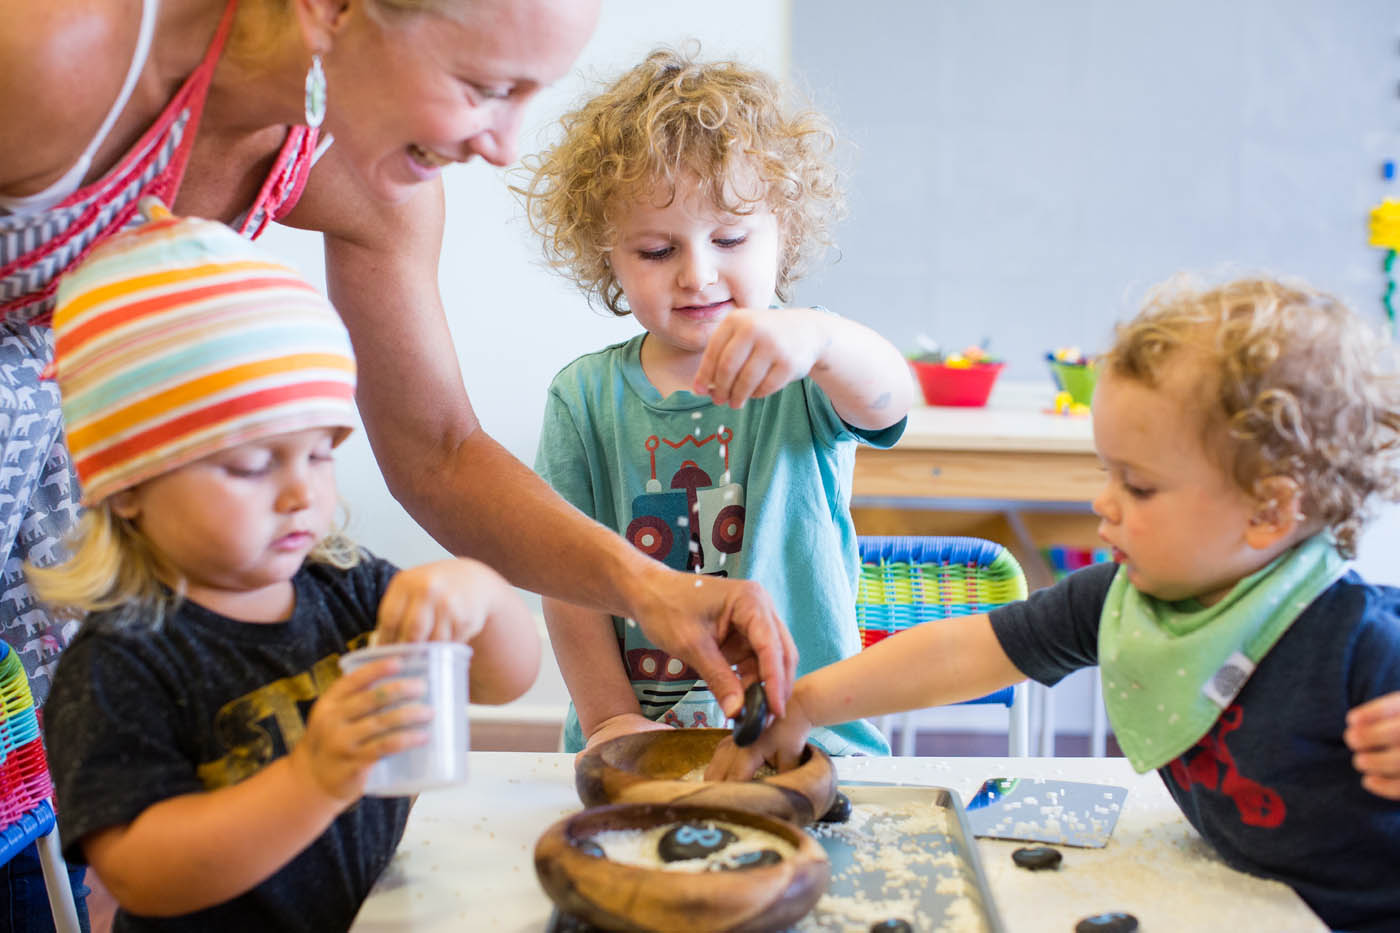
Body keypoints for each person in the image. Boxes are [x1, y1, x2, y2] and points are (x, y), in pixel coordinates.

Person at [3, 3, 796, 922]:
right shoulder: (53, 57)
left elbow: (442, 453)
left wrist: (645, 589)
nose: (503, 145)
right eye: (483, 87)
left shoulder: (330, 587)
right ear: (332, 11)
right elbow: (143, 867)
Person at [709, 275, 1400, 930]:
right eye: (1109, 475)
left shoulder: (1364, 641)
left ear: (1270, 510)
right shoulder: (1123, 599)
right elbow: (967, 649)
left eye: (1139, 486)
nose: (1104, 503)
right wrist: (804, 702)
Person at [28, 204, 540, 932]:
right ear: (129, 485)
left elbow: (503, 678)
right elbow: (138, 873)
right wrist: (312, 779)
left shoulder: (349, 586)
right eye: (251, 463)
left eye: (319, 453)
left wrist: (483, 597)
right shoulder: (118, 664)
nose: (303, 491)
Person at [517, 47, 917, 755]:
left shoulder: (806, 371)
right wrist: (610, 718)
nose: (697, 275)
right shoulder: (582, 397)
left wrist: (820, 338)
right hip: (638, 742)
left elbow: (890, 403)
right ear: (606, 254)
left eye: (729, 237)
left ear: (784, 232)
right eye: (654, 251)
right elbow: (568, 582)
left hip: (811, 737)